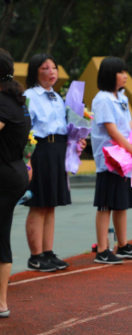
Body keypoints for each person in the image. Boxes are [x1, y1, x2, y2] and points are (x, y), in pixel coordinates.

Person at [22, 54, 86, 272]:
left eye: (54, 67)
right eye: (45, 68)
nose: (51, 71)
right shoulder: (29, 96)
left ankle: (48, 253)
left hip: (58, 151)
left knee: (51, 205)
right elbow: (25, 130)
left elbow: (66, 127)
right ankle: (35, 256)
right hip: (39, 151)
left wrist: (78, 141)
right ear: (35, 72)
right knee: (38, 204)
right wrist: (27, 160)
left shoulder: (58, 98)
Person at [91, 57, 132, 265]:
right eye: (121, 72)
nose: (125, 76)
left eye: (125, 71)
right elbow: (113, 131)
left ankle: (122, 245)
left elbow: (129, 127)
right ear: (109, 75)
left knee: (121, 203)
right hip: (110, 158)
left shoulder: (121, 97)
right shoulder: (102, 99)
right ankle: (102, 250)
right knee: (106, 205)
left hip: (124, 157)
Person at [0, 49, 31, 318]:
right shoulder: (16, 100)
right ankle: (1, 303)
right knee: (2, 235)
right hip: (15, 173)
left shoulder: (1, 102)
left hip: (4, 175)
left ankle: (1, 303)